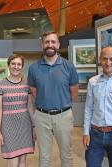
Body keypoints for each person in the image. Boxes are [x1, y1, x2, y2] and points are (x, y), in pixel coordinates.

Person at [28, 31, 79, 167]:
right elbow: (34, 93)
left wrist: (62, 104)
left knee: (66, 155)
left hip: (64, 115)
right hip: (41, 117)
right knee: (44, 156)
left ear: (58, 44)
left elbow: (73, 93)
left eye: (53, 42)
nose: (50, 45)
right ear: (42, 45)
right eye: (47, 42)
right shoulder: (33, 68)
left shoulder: (69, 66)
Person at [0, 54, 35, 167]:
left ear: (22, 66)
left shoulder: (27, 84)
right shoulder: (0, 84)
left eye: (19, 64)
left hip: (25, 125)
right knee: (13, 160)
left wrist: (34, 126)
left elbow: (30, 106)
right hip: (8, 127)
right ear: (8, 65)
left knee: (22, 160)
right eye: (13, 64)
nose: (16, 67)